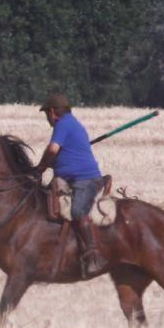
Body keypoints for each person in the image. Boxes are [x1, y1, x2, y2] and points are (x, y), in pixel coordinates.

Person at [33, 94, 107, 276]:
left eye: (46, 115)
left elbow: (52, 150)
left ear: (52, 112)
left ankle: (93, 256)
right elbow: (60, 155)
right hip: (69, 179)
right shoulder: (71, 124)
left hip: (85, 179)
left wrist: (41, 167)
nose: (47, 120)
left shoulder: (63, 123)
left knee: (78, 211)